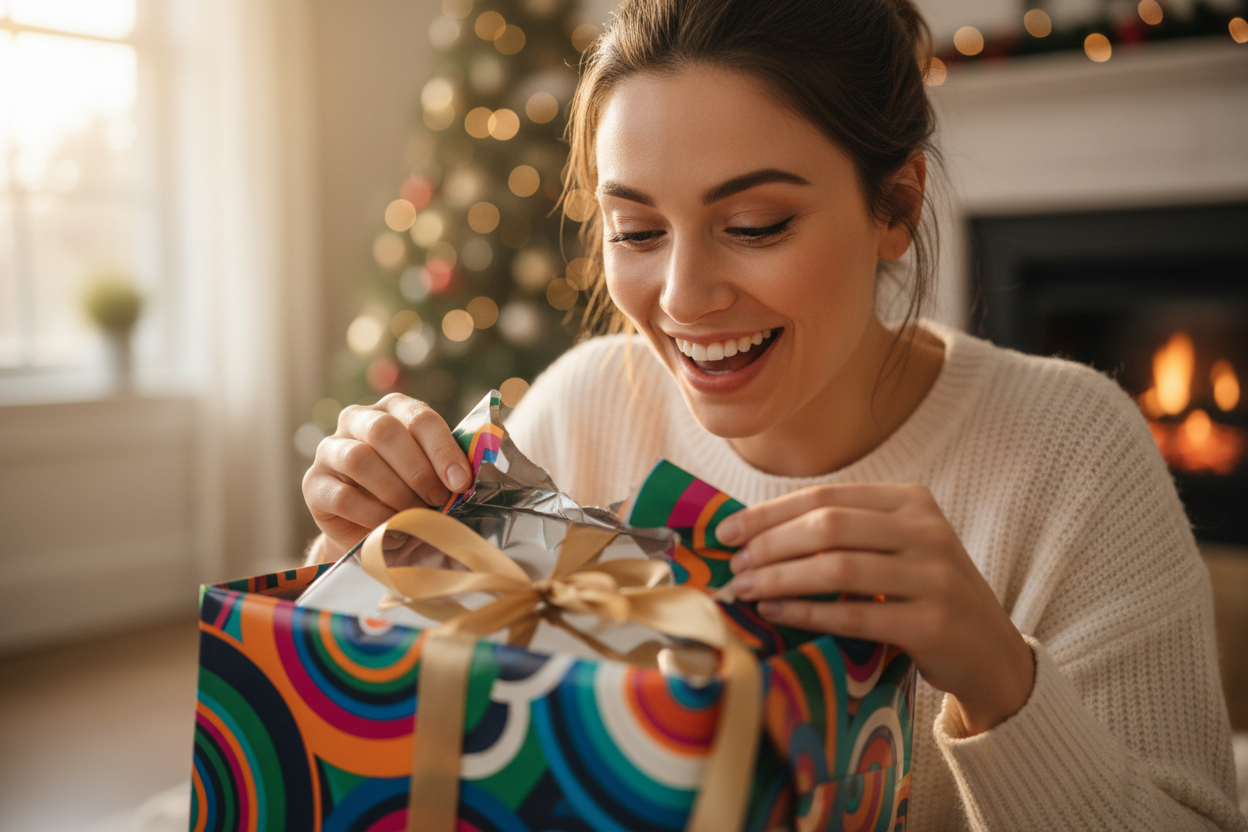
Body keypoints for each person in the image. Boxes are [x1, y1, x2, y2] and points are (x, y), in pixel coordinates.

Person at [300, 0, 1246, 828]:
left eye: (754, 226)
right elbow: (415, 750)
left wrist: (1001, 680)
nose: (683, 297)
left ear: (897, 205)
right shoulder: (589, 401)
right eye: (636, 230)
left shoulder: (1073, 449)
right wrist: (368, 555)